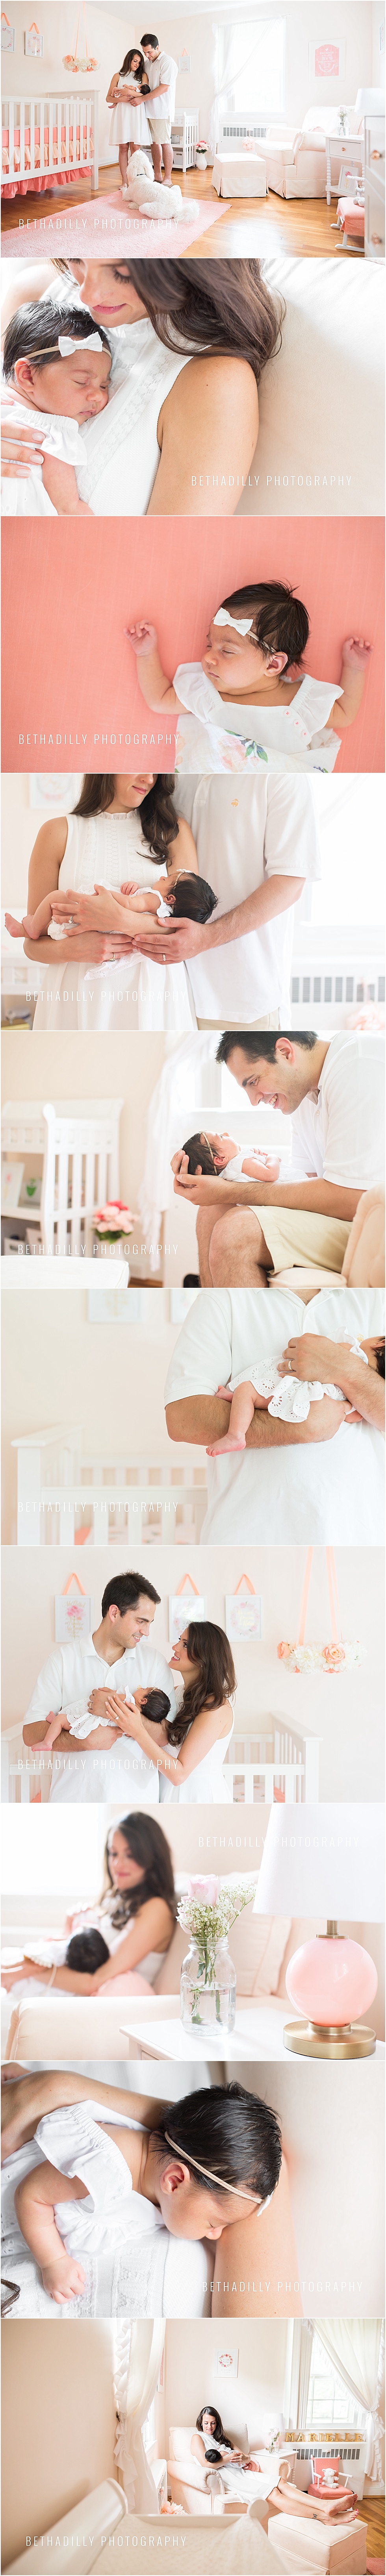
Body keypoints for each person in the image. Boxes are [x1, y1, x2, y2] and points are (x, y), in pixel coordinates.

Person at [1, 259, 278, 521]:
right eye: (77, 259)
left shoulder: (215, 383)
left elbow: (167, 564)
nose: (87, 295)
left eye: (122, 272)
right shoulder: (35, 294)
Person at [2, 2078, 294, 2322]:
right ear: (175, 2180)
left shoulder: (157, 2168)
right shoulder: (107, 2170)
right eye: (214, 2222)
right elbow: (31, 2195)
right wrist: (54, 2261)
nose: (216, 2234)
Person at [164, 1285, 385, 1542]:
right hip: (251, 1533)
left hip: (355, 1532)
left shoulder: (376, 1297)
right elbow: (182, 1419)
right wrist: (304, 1425)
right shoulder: (224, 1299)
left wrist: (344, 1367)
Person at [172, 1029, 386, 1285]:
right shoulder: (304, 1094)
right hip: (346, 1219)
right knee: (211, 1209)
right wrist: (210, 1172)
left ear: (285, 1052)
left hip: (372, 1225)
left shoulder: (359, 1065)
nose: (253, 1100)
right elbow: (305, 1181)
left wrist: (230, 1191)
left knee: (236, 1231)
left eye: (253, 1081)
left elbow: (355, 1198)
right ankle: (216, 1320)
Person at [134, 773, 321, 1032]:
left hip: (243, 1001)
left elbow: (290, 882)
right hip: (170, 989)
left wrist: (206, 937)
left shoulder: (283, 777)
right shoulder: (172, 770)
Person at [20, 771, 200, 1034]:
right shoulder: (57, 832)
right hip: (76, 994)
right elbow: (32, 943)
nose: (150, 779)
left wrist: (122, 920)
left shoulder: (173, 831)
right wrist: (73, 949)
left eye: (156, 770)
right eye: (140, 765)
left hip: (154, 996)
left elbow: (190, 929)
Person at [126, 583, 373, 775]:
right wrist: (146, 653)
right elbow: (159, 700)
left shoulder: (302, 702)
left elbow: (345, 713)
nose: (209, 658)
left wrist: (355, 669)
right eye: (209, 644)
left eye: (227, 651)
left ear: (273, 664)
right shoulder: (207, 693)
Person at [21, 1569, 178, 1803]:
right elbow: (31, 1734)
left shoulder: (155, 1663)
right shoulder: (62, 1660)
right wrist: (82, 1741)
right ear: (114, 1613)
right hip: (73, 1800)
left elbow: (167, 1734)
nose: (146, 1632)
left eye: (149, 1623)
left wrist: (116, 1711)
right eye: (141, 1621)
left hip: (136, 1801)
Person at [1, 1813, 178, 2001]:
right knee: (8, 1957)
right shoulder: (116, 1897)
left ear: (152, 1858)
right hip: (74, 1986)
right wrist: (69, 1931)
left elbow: (95, 1980)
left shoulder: (155, 1909)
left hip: (105, 1998)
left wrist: (28, 1971)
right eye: (114, 1853)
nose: (117, 1864)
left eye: (130, 1855)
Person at [102, 1620, 237, 1806]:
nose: (175, 1647)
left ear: (205, 1656)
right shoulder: (175, 1693)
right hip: (166, 1793)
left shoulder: (216, 1707)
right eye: (179, 1640)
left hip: (198, 1797)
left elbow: (179, 1774)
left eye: (185, 1644)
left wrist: (137, 1729)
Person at [1, 303, 111, 516]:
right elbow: (67, 506)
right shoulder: (51, 431)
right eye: (82, 382)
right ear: (28, 375)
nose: (98, 395)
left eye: (104, 386)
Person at [204, 1332, 378, 1456]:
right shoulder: (367, 1389)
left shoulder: (352, 1351)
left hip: (299, 1387)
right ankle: (236, 1400)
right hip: (316, 1404)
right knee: (257, 1398)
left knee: (247, 1390)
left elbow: (320, 1348)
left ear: (380, 1343)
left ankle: (236, 1435)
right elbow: (352, 1417)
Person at [106, 49, 151, 189]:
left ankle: (136, 181)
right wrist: (122, 100)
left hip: (136, 113)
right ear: (129, 60)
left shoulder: (143, 75)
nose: (137, 64)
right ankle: (125, 182)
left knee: (136, 148)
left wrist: (129, 92)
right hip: (122, 114)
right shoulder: (118, 76)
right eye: (135, 61)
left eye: (139, 62)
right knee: (123, 147)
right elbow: (108, 98)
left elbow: (145, 94)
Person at [139, 32, 178, 184]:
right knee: (154, 144)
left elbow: (164, 88)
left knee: (164, 143)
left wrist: (142, 99)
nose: (147, 55)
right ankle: (157, 175)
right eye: (145, 52)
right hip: (149, 110)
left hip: (162, 111)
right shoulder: (148, 63)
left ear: (157, 48)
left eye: (149, 52)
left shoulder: (167, 62)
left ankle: (168, 178)